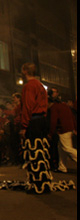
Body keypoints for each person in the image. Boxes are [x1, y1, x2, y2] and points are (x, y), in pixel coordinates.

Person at [19, 63, 52, 194]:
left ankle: (37, 184)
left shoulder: (29, 86)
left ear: (25, 71)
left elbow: (28, 106)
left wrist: (24, 126)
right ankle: (44, 182)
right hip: (42, 119)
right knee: (42, 152)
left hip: (34, 121)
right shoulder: (40, 85)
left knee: (34, 152)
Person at [48, 88, 77, 173]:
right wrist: (74, 127)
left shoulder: (54, 107)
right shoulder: (64, 105)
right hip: (69, 128)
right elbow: (72, 116)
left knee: (67, 148)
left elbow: (53, 121)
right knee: (61, 148)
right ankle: (62, 167)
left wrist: (50, 133)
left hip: (63, 129)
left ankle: (62, 167)